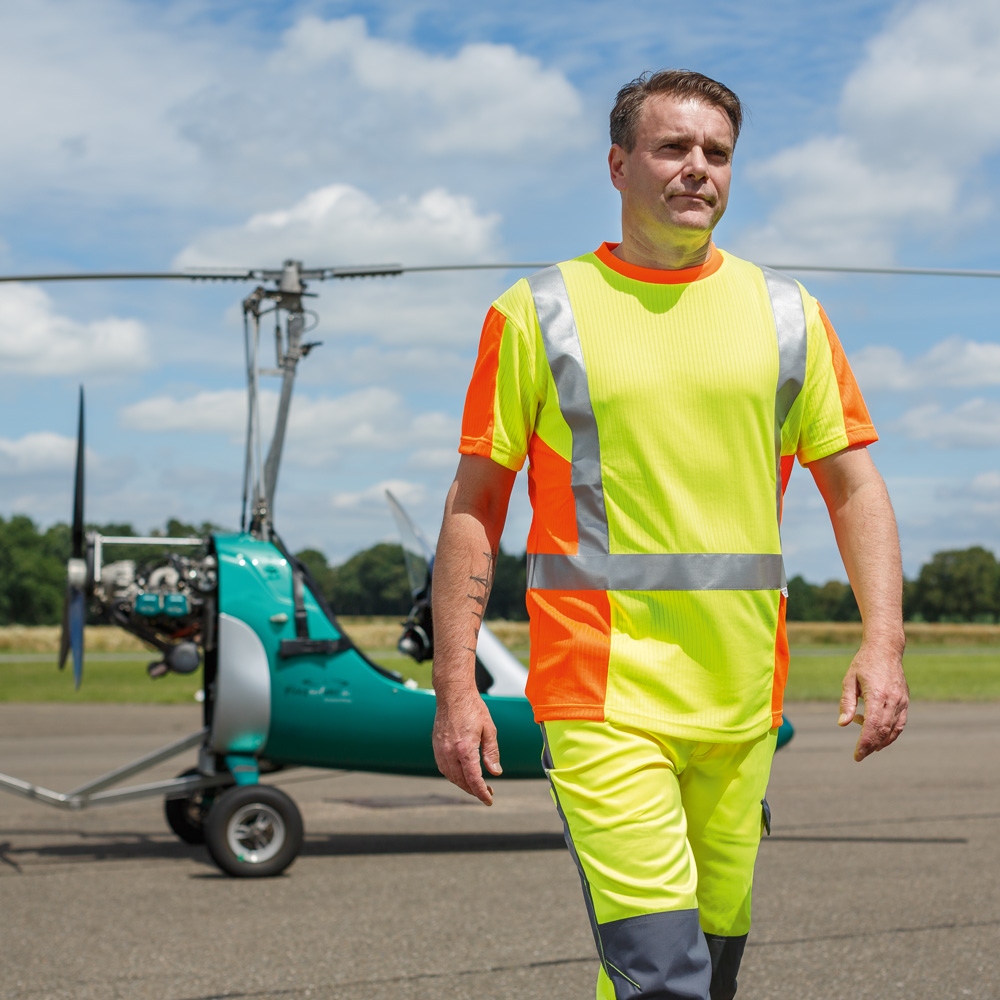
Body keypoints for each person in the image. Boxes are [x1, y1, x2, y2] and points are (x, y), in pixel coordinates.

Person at [431, 69, 909, 1000]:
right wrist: (457, 684)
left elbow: (854, 487)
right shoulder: (538, 311)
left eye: (717, 154)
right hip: (601, 695)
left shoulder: (789, 316)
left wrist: (882, 642)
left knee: (708, 968)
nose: (698, 170)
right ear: (618, 165)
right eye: (672, 148)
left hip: (740, 704)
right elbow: (473, 504)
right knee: (663, 975)